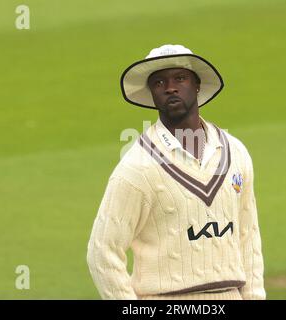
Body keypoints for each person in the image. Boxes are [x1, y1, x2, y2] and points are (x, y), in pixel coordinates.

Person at [87, 44, 266, 300]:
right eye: (159, 82)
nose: (170, 87)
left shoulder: (235, 152)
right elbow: (102, 250)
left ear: (196, 85)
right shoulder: (137, 167)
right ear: (152, 94)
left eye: (179, 78)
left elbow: (248, 236)